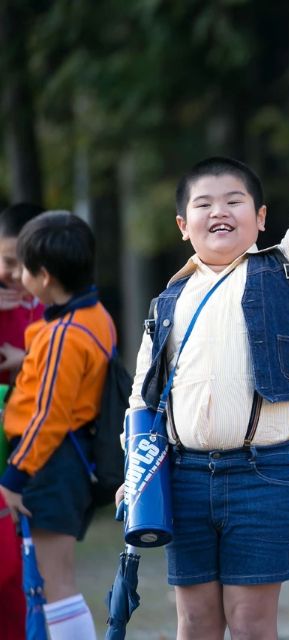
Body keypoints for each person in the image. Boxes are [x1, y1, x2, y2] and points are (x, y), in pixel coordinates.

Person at [121, 59, 289, 640]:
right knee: (195, 623)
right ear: (182, 225)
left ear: (261, 218)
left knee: (252, 624)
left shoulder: (285, 270)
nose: (219, 211)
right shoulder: (167, 301)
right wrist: (134, 473)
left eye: (234, 201)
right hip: (182, 476)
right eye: (204, 204)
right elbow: (142, 399)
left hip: (262, 474)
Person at [0, 210, 115, 640]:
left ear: (44, 277)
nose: (17, 277)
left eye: (23, 269)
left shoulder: (63, 334)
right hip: (66, 459)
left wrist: (15, 476)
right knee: (54, 581)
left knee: (55, 585)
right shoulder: (95, 316)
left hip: (50, 463)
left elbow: (48, 414)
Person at [0, 202, 44, 640]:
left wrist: (25, 358)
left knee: (25, 580)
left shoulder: (52, 304)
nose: (11, 273)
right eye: (5, 260)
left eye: (20, 262)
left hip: (33, 457)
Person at [0, 203, 45, 384]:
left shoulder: (57, 306)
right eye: (9, 262)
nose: (17, 274)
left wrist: (26, 359)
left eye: (27, 264)